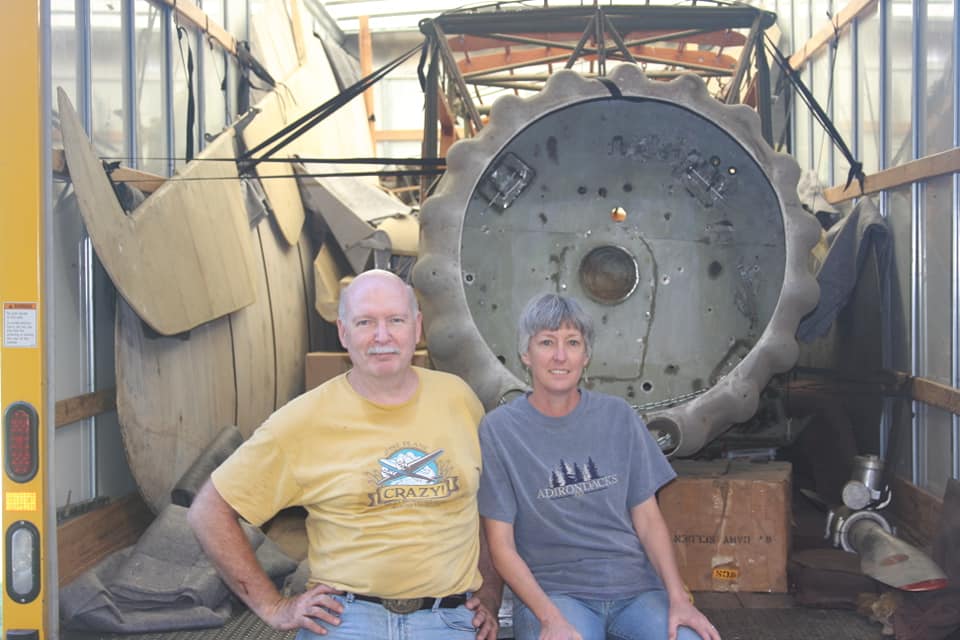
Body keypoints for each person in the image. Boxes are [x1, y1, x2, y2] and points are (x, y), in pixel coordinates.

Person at [188, 269, 502, 640]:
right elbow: (208, 511)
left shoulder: (459, 399)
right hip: (347, 621)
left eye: (395, 320)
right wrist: (273, 607)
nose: (382, 336)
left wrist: (490, 593)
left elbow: (484, 506)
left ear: (417, 328)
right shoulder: (301, 421)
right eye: (365, 322)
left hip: (449, 620)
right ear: (343, 333)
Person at [478, 293, 720, 640]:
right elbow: (501, 545)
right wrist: (549, 618)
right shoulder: (499, 431)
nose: (560, 356)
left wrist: (679, 599)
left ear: (586, 355)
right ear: (525, 355)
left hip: (636, 590)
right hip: (556, 595)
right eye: (547, 342)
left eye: (572, 342)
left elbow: (649, 520)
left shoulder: (619, 417)